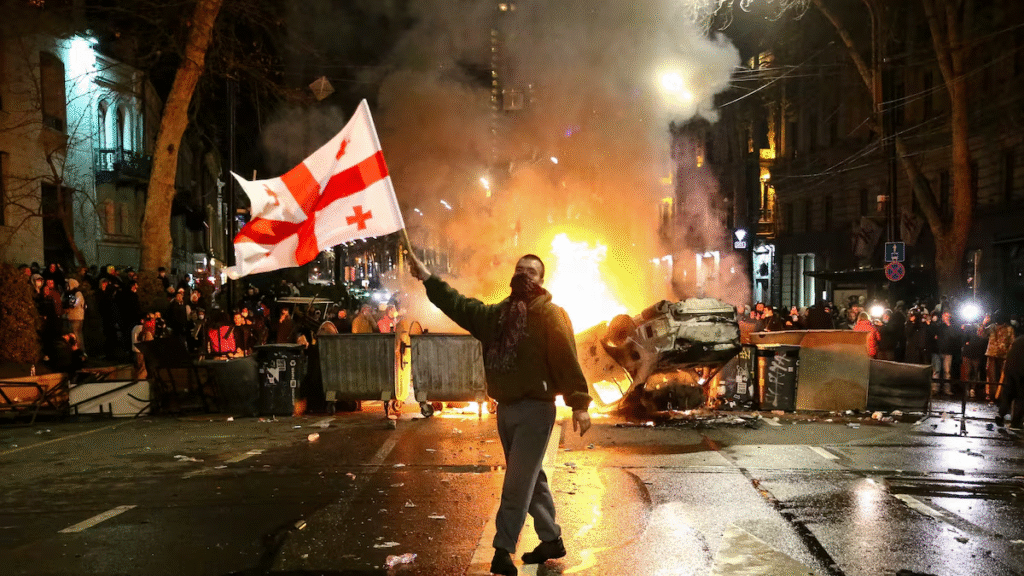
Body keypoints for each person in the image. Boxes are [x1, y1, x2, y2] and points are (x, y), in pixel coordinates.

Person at [408, 251, 592, 576]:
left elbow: (567, 359)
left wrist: (580, 404)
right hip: (505, 410)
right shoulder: (497, 316)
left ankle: (502, 550)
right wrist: (428, 279)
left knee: (518, 482)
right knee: (531, 479)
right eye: (520, 269)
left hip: (536, 410)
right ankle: (551, 539)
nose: (524, 274)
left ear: (541, 280)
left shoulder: (551, 315)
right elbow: (459, 305)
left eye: (531, 272)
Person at [996, 335, 1024, 430]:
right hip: (1021, 372)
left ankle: (1000, 414)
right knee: (1021, 397)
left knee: (1008, 394)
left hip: (1010, 369)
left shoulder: (1018, 340)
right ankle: (1016, 422)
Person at [985, 311, 1015, 397]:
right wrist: (983, 323)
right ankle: (991, 394)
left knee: (1003, 376)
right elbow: (981, 334)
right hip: (991, 353)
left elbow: (1012, 343)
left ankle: (1001, 394)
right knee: (991, 376)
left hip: (1004, 355)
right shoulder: (992, 327)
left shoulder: (1009, 329)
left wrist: (1009, 354)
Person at [64, 279, 86, 348]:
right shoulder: (68, 293)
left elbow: (78, 302)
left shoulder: (77, 293)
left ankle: (79, 350)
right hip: (72, 316)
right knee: (76, 335)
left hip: (76, 317)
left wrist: (70, 306)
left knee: (76, 335)